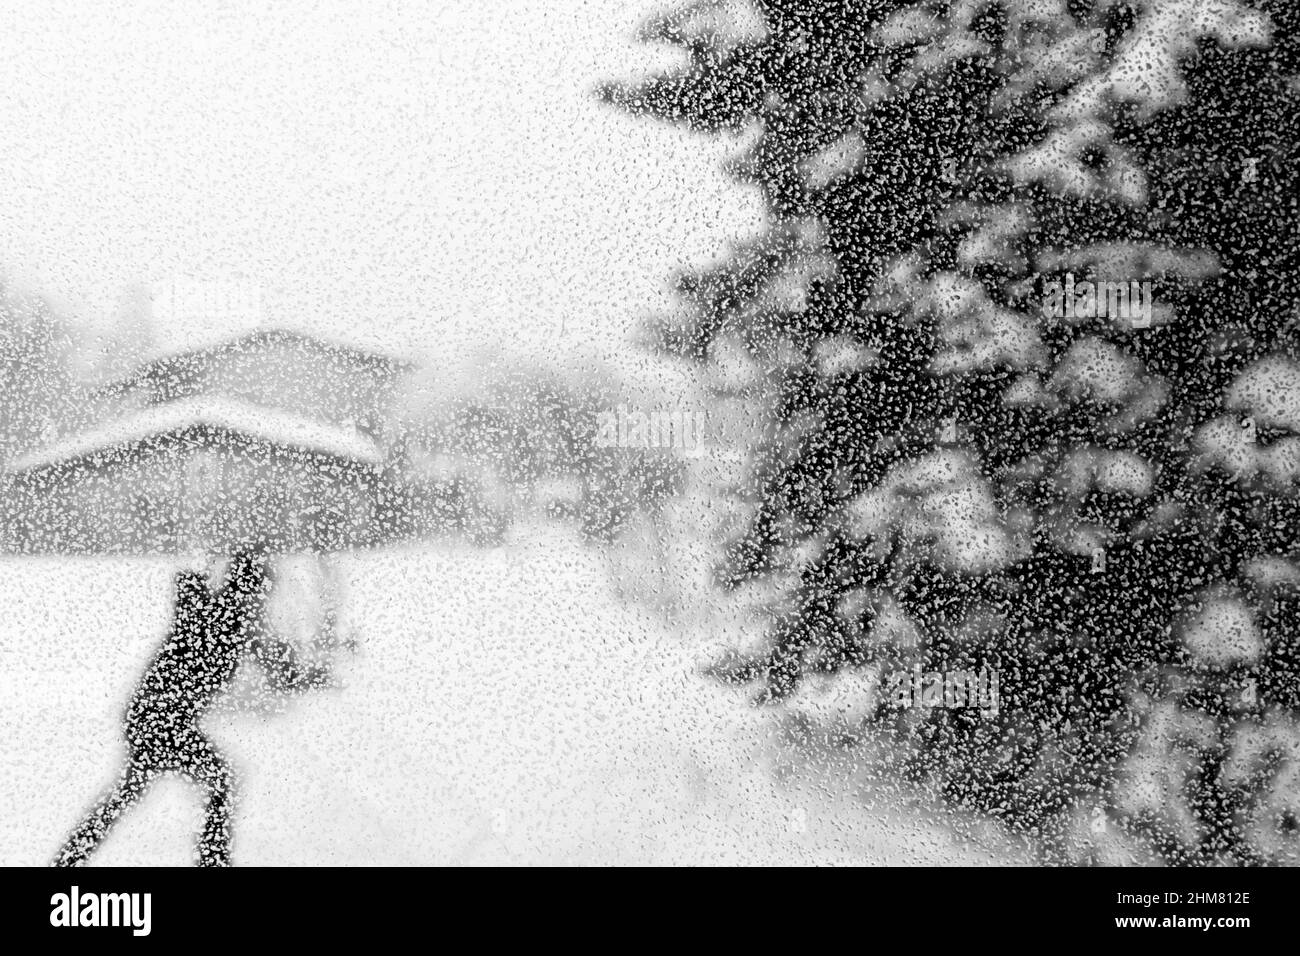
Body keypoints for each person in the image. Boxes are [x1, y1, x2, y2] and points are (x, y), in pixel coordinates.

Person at [53, 547, 332, 867]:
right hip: (159, 716)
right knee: (215, 780)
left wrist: (311, 675)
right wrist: (206, 560)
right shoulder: (220, 616)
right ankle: (212, 862)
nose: (264, 603)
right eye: (262, 593)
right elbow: (189, 590)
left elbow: (280, 676)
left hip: (155, 715)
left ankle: (71, 858)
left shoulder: (234, 622)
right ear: (250, 588)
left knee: (136, 790)